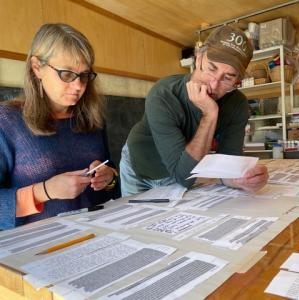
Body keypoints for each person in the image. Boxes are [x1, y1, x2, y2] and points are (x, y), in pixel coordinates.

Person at [120, 25, 268, 196]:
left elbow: (227, 166)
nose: (213, 85)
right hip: (139, 165)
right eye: (211, 68)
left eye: (227, 78)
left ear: (237, 82)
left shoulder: (237, 105)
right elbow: (184, 176)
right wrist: (210, 114)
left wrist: (243, 180)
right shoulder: (164, 93)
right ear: (198, 58)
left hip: (179, 169)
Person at [0, 23, 119, 230]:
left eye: (84, 75)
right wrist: (45, 191)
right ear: (37, 67)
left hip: (96, 235)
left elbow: (112, 183)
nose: (79, 86)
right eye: (67, 74)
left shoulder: (91, 118)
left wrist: (109, 178)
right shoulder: (7, 121)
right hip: (36, 250)